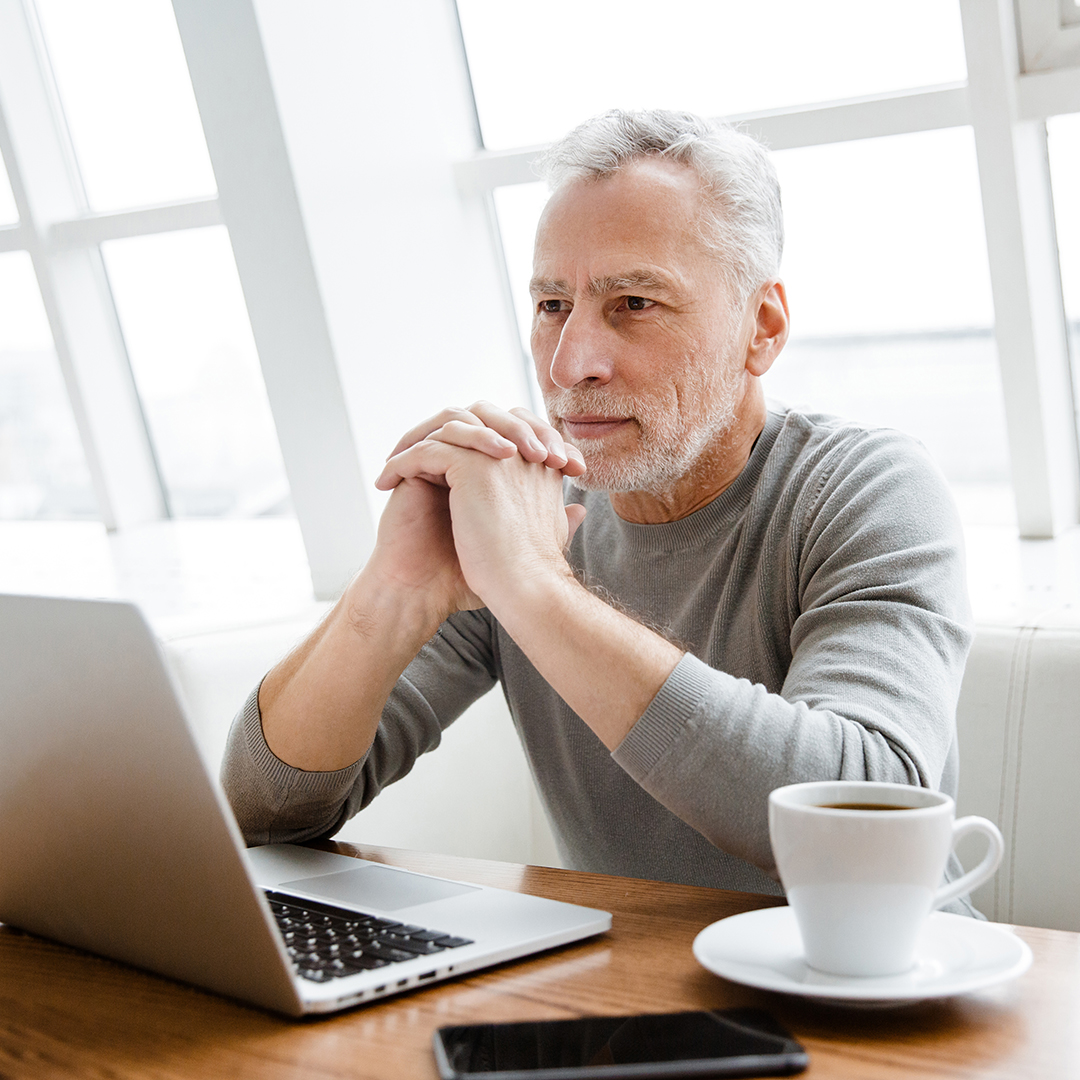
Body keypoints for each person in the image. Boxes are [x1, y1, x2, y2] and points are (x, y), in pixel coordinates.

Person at [222, 109, 973, 901]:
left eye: (635, 304)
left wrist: (536, 589)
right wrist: (392, 592)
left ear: (763, 327)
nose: (571, 362)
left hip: (888, 1005)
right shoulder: (522, 516)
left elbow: (866, 822)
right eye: (552, 305)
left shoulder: (869, 489)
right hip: (639, 996)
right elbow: (261, 814)